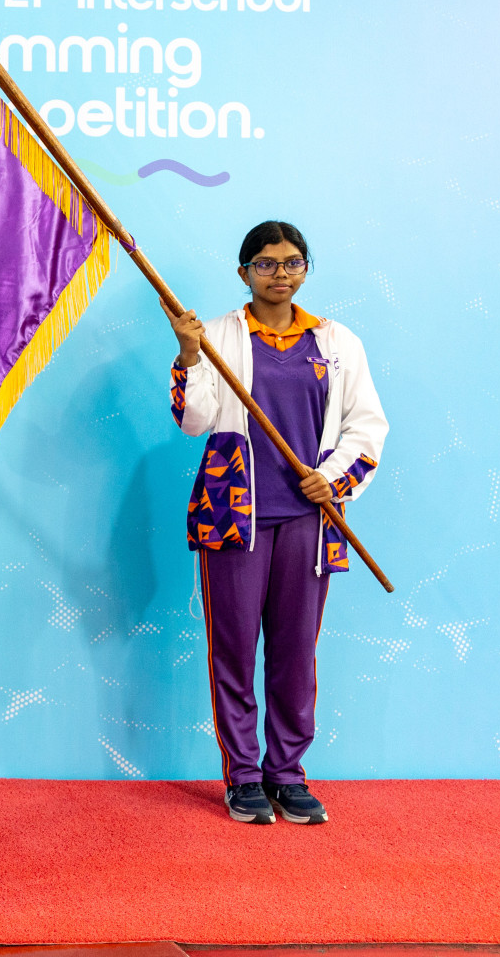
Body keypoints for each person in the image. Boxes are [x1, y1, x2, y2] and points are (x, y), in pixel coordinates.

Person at [165, 220, 388, 826]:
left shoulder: (337, 341)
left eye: (292, 263)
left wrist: (335, 479)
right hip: (233, 516)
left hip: (310, 521)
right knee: (234, 650)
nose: (280, 274)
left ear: (306, 269)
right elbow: (195, 419)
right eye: (265, 264)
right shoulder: (216, 335)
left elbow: (368, 428)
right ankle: (243, 776)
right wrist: (189, 357)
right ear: (244, 272)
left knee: (295, 653)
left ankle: (287, 775)